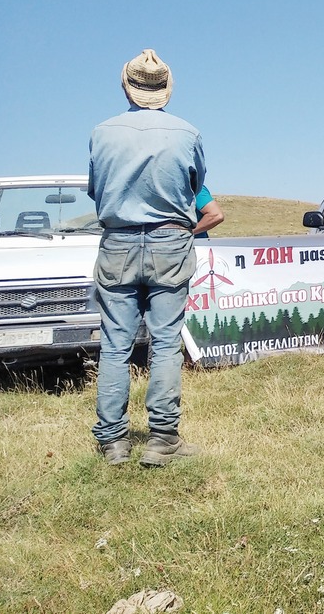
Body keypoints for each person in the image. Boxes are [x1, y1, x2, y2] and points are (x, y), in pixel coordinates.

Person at [88, 49, 205, 467]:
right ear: (166, 91)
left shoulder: (102, 132)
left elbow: (96, 189)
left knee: (115, 345)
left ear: (127, 87)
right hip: (170, 242)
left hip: (118, 241)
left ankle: (113, 442)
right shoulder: (188, 133)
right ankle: (163, 438)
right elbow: (196, 187)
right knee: (166, 342)